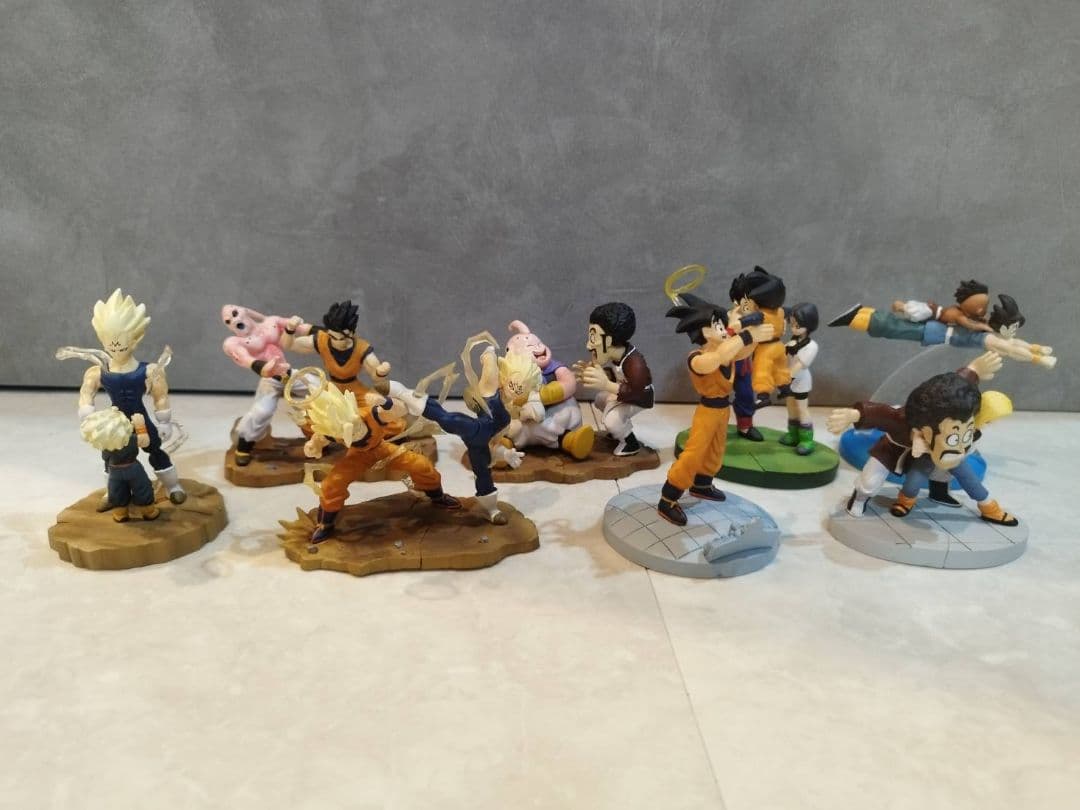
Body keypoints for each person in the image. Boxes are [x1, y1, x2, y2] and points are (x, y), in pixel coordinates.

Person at [656, 293, 774, 526]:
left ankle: (702, 484)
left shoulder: (729, 351)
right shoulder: (697, 358)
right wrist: (746, 334)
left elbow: (744, 350)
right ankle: (668, 498)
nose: (724, 329)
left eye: (722, 324)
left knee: (716, 451)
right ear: (704, 331)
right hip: (707, 412)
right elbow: (718, 358)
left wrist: (755, 330)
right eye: (717, 325)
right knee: (694, 453)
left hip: (722, 411)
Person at [575, 302, 655, 456]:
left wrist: (605, 384)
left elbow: (636, 391)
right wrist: (597, 374)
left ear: (609, 340)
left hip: (640, 398)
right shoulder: (618, 356)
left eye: (593, 338)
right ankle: (618, 431)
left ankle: (630, 443)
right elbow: (617, 375)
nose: (588, 346)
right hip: (626, 393)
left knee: (611, 420)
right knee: (600, 399)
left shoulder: (635, 363)